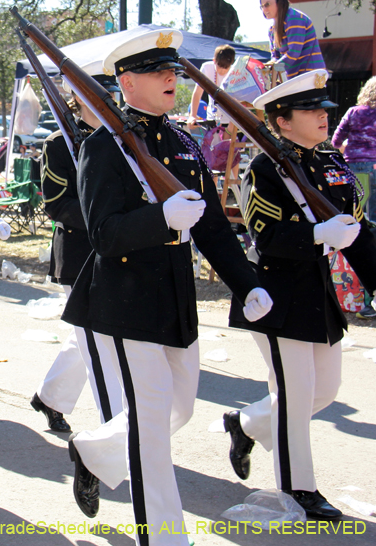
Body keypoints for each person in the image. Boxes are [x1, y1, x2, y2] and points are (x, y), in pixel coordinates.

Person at [64, 29, 272, 545]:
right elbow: (105, 233)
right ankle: (162, 535)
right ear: (126, 82)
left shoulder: (182, 142)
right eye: (157, 72)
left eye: (171, 71)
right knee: (152, 424)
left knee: (179, 407)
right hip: (124, 297)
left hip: (175, 297)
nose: (169, 79)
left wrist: (247, 284)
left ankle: (93, 452)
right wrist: (160, 218)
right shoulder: (104, 146)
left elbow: (213, 229)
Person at [221, 71, 376, 521]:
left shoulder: (331, 159)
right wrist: (314, 234)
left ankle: (245, 424)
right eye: (310, 110)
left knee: (324, 390)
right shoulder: (265, 168)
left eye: (324, 108)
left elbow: (356, 232)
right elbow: (266, 237)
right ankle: (299, 489)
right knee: (295, 394)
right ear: (282, 121)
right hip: (276, 294)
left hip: (317, 291)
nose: (323, 116)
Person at [31, 61, 124, 433]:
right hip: (80, 253)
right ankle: (116, 434)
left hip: (117, 248)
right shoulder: (58, 144)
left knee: (89, 336)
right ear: (78, 99)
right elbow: (56, 204)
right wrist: (106, 218)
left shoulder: (121, 136)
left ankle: (50, 397)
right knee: (99, 343)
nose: (109, 102)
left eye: (111, 95)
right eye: (101, 96)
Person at [332, 76, 376, 319]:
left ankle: (360, 300)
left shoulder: (353, 112)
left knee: (358, 229)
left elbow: (336, 142)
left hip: (354, 173)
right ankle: (371, 297)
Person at [260, 0, 326, 79]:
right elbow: (275, 56)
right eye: (262, 6)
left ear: (279, 3)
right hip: (294, 79)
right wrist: (265, 69)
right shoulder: (272, 29)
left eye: (267, 4)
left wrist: (273, 69)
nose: (264, 9)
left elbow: (294, 52)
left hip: (311, 77)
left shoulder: (294, 18)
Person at [187, 45, 236, 126]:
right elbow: (198, 92)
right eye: (220, 66)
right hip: (212, 118)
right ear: (214, 61)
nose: (222, 70)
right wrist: (192, 116)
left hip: (230, 120)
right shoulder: (206, 67)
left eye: (226, 67)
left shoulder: (235, 71)